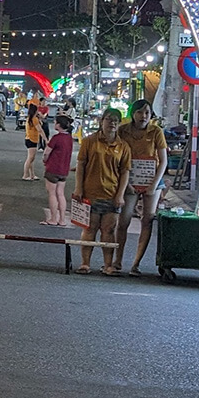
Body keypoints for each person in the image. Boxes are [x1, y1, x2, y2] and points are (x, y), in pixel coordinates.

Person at [73, 107, 132, 275]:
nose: (112, 123)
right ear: (101, 121)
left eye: (115, 120)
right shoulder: (89, 141)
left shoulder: (123, 146)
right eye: (108, 119)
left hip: (112, 194)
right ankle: (85, 263)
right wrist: (79, 187)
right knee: (89, 229)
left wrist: (120, 194)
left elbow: (125, 172)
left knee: (109, 230)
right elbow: (81, 165)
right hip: (90, 193)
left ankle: (108, 265)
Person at [115, 99, 168, 275]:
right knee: (124, 220)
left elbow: (163, 161)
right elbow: (119, 158)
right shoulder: (123, 131)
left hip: (152, 180)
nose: (143, 116)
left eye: (147, 112)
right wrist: (126, 183)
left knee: (147, 219)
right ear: (132, 113)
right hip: (130, 179)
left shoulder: (156, 131)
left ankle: (136, 264)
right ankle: (117, 261)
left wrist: (153, 185)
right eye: (139, 112)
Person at [41, 115, 75, 226]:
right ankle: (62, 220)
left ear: (59, 125)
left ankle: (53, 219)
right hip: (64, 170)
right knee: (61, 194)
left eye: (55, 122)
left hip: (53, 168)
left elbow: (47, 152)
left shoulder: (56, 138)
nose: (54, 124)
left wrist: (44, 160)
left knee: (52, 194)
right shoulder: (69, 138)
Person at [22, 103, 44, 180]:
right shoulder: (34, 119)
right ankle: (25, 175)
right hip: (32, 139)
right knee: (30, 158)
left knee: (32, 158)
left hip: (29, 138)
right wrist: (46, 139)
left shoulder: (30, 118)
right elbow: (40, 130)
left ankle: (32, 175)